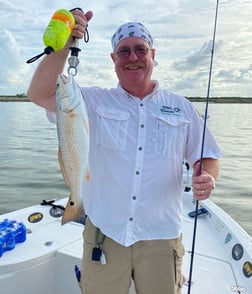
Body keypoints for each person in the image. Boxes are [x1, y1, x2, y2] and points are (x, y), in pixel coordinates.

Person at [27, 9, 221, 294]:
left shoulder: (181, 107)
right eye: (124, 51)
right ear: (113, 59)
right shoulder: (91, 101)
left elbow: (206, 155)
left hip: (162, 238)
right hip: (104, 234)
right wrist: (65, 42)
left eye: (140, 49)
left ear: (153, 54)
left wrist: (208, 177)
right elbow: (39, 94)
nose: (132, 57)